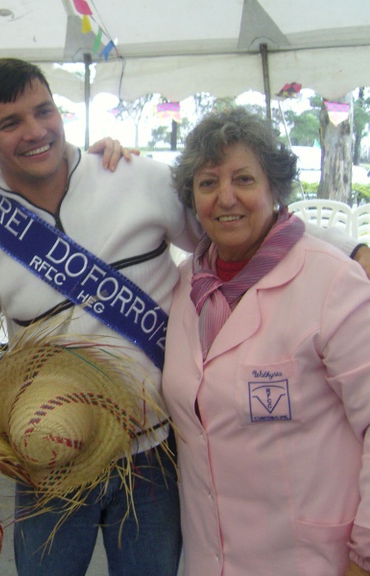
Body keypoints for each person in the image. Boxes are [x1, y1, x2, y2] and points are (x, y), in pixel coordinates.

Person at [0, 58, 370, 576]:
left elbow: (237, 222)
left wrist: (349, 249)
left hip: (154, 455)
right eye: (10, 122)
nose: (36, 131)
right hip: (50, 460)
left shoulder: (135, 177)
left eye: (44, 111)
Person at [163, 107, 370, 576]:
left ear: (275, 189)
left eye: (244, 179)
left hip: (313, 559)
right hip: (209, 558)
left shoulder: (334, 282)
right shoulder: (182, 287)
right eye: (208, 183)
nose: (226, 197)